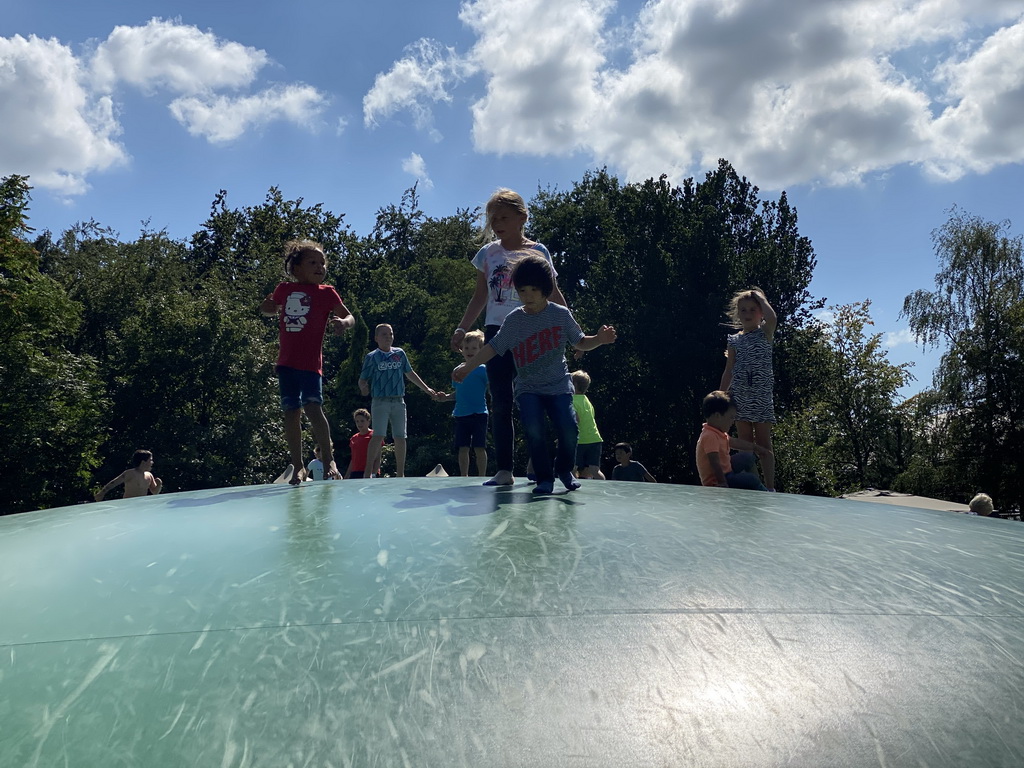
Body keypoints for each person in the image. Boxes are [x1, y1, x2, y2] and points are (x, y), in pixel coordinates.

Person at [453, 254, 616, 495]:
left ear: (546, 289)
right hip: (529, 388)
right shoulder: (515, 320)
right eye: (522, 290)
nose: (527, 296)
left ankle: (563, 469)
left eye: (533, 290)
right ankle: (544, 479)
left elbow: (580, 342)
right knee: (535, 431)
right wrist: (468, 367)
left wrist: (599, 340)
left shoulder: (560, 315)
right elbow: (492, 348)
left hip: (559, 386)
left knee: (569, 429)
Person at [450, 188, 570, 487]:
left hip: (534, 331)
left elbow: (553, 294)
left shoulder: (538, 252)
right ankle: (504, 468)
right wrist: (463, 327)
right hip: (497, 332)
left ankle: (537, 460)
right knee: (501, 401)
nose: (497, 223)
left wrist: (570, 327)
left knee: (536, 398)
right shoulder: (488, 253)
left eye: (503, 217)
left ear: (522, 217)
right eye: (492, 218)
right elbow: (481, 295)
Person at [259, 240, 354, 484]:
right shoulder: (284, 289)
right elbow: (270, 309)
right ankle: (298, 465)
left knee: (313, 408)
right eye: (313, 262)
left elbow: (349, 315)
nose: (320, 266)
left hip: (311, 364)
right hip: (287, 363)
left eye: (322, 262)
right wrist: (267, 308)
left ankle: (329, 458)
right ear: (296, 268)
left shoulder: (327, 293)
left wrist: (343, 323)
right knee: (291, 412)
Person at [359, 323, 437, 478]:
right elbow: (362, 379)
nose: (388, 337)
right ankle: (367, 472)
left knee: (400, 436)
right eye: (384, 334)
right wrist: (364, 388)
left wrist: (427, 389)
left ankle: (400, 473)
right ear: (376, 338)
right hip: (380, 401)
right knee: (378, 435)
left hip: (398, 401)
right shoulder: (372, 357)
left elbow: (410, 373)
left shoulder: (399, 353)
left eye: (390, 334)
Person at [720, 287, 778, 491]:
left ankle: (770, 487)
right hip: (740, 397)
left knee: (763, 443)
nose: (747, 314)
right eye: (743, 310)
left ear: (760, 312)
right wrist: (721, 395)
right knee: (745, 444)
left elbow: (772, 318)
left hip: (761, 397)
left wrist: (761, 297)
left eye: (752, 309)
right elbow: (729, 370)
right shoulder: (734, 339)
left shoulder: (765, 333)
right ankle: (754, 486)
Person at [433, 330, 489, 477]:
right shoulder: (457, 370)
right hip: (461, 414)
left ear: (481, 350)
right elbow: (458, 393)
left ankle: (482, 476)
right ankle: (464, 476)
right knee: (463, 448)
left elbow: (492, 388)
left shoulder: (483, 369)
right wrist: (445, 397)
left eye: (474, 348)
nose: (470, 351)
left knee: (479, 447)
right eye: (466, 348)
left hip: (479, 413)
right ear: (461, 350)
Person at [695, 390, 773, 490]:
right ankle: (762, 493)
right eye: (731, 417)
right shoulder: (710, 436)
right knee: (751, 480)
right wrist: (722, 483)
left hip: (726, 472)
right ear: (718, 416)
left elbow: (735, 442)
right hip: (717, 480)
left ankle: (757, 487)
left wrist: (756, 447)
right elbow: (714, 462)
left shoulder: (718, 433)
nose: (732, 422)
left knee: (747, 458)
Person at [571, 370, 605, 479]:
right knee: (594, 470)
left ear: (574, 385)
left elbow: (576, 420)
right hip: (595, 439)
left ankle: (572, 492)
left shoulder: (571, 400)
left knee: (572, 468)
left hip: (580, 440)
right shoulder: (586, 400)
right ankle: (605, 490)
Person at [95, 449, 163, 501]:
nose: (152, 462)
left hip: (141, 505)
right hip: (128, 504)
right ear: (143, 462)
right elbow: (113, 483)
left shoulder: (149, 475)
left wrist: (159, 485)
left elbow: (155, 492)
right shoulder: (130, 473)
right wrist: (101, 493)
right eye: (150, 460)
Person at [345, 408, 378, 479]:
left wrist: (374, 473)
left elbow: (378, 457)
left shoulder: (374, 436)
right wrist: (347, 475)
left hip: (369, 472)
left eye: (362, 421)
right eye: (357, 421)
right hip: (355, 472)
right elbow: (353, 459)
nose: (360, 424)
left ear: (368, 421)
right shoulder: (354, 438)